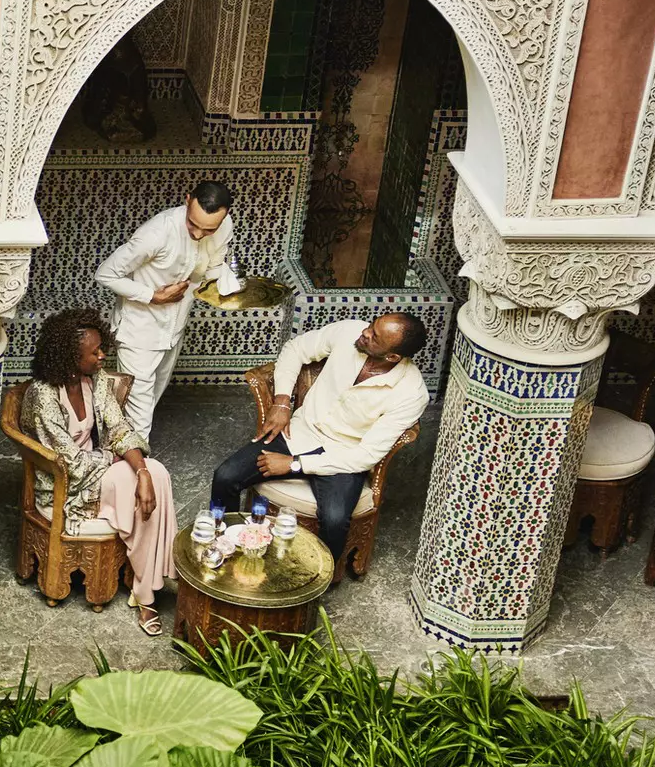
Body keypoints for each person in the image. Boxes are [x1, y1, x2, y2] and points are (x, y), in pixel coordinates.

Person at [208, 314, 430, 578]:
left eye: (375, 336)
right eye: (372, 325)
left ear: (393, 357)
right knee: (226, 476)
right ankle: (224, 544)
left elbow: (366, 455)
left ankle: (313, 583)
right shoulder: (350, 332)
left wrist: (294, 464)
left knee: (335, 520)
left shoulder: (410, 393)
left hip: (341, 459)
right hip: (297, 433)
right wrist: (281, 403)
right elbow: (295, 349)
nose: (366, 332)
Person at [27, 308, 180, 636]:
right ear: (69, 357)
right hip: (64, 484)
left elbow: (121, 429)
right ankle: (148, 592)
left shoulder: (93, 381)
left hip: (99, 468)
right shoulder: (42, 395)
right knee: (132, 483)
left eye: (102, 349)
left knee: (158, 474)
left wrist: (141, 472)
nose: (102, 356)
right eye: (94, 352)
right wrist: (119, 464)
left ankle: (146, 587)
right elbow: (68, 461)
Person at [94, 181, 235, 439]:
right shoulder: (157, 234)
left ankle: (118, 450)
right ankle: (139, 472)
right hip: (139, 329)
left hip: (174, 330)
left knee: (151, 399)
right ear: (187, 199)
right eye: (193, 224)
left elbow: (214, 266)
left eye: (208, 229)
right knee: (138, 412)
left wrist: (227, 289)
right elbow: (106, 273)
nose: (198, 234)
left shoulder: (224, 226)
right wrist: (152, 296)